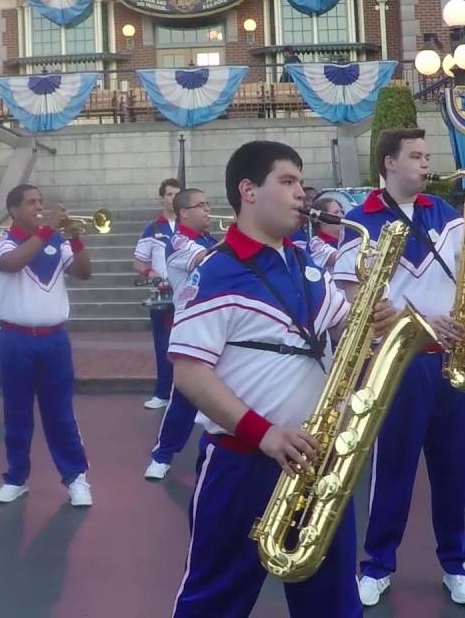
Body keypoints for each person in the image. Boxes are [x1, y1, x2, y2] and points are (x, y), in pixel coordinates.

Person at [168, 140, 393, 617]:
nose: (301, 194)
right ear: (248, 191)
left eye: (301, 182)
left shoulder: (305, 263)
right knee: (214, 602)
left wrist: (371, 322)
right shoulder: (216, 271)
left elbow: (341, 330)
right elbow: (188, 372)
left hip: (317, 460)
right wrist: (265, 434)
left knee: (333, 603)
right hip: (241, 464)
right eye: (287, 182)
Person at [333, 128, 465, 606]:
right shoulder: (359, 221)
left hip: (452, 359)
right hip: (398, 362)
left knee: (454, 469)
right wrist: (422, 322)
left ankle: (456, 562)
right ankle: (377, 564)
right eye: (416, 156)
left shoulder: (446, 213)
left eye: (427, 156)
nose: (427, 164)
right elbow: (355, 297)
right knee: (393, 469)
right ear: (389, 162)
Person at [0, 184, 94, 507]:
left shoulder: (57, 242)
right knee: (17, 412)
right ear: (13, 211)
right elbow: (12, 263)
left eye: (41, 201)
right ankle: (16, 478)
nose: (38, 207)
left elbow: (84, 273)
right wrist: (47, 229)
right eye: (31, 202)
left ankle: (75, 477)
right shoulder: (1, 242)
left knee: (61, 412)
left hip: (54, 339)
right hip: (15, 339)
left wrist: (75, 239)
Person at [143, 187, 217, 481]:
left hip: (217, 326)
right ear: (184, 212)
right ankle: (162, 456)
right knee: (184, 398)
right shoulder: (178, 241)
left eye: (208, 204)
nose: (208, 210)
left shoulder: (208, 239)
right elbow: (208, 260)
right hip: (191, 329)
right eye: (201, 205)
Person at [134, 178, 181, 410]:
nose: (173, 199)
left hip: (187, 295)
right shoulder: (152, 229)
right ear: (162, 198)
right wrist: (150, 272)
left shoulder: (189, 226)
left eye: (177, 194)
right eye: (169, 194)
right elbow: (138, 261)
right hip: (162, 295)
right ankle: (163, 393)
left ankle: (190, 395)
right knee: (163, 345)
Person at [308, 195, 343, 270]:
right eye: (336, 212)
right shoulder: (315, 243)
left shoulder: (346, 238)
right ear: (322, 219)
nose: (342, 216)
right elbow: (341, 257)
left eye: (341, 212)